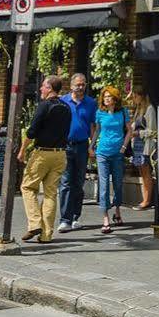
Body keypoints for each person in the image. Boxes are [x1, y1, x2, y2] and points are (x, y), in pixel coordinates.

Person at [21, 76, 71, 243]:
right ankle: (46, 235)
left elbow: (31, 131)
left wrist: (22, 150)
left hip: (43, 154)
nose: (40, 89)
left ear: (50, 88)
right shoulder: (66, 107)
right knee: (50, 194)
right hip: (60, 154)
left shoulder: (44, 106)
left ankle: (34, 223)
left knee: (28, 187)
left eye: (43, 86)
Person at [57, 73, 96, 234]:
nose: (81, 87)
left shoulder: (91, 103)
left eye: (83, 84)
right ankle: (64, 220)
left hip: (82, 146)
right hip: (65, 145)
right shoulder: (63, 101)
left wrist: (92, 146)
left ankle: (75, 217)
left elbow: (93, 127)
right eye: (78, 84)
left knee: (78, 182)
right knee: (66, 182)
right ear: (71, 85)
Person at [90, 85, 132, 234]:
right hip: (102, 153)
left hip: (118, 154)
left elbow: (129, 131)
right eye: (105, 97)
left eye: (109, 96)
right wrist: (92, 146)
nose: (106, 99)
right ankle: (105, 218)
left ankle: (118, 211)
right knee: (104, 185)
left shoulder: (123, 112)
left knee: (118, 184)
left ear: (115, 99)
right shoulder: (100, 113)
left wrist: (123, 147)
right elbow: (97, 131)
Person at [127, 86, 156, 210]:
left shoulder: (149, 109)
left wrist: (138, 133)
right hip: (138, 145)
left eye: (135, 96)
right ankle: (144, 199)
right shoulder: (139, 110)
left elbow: (153, 131)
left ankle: (147, 200)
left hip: (145, 145)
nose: (133, 99)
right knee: (142, 172)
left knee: (146, 173)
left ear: (141, 95)